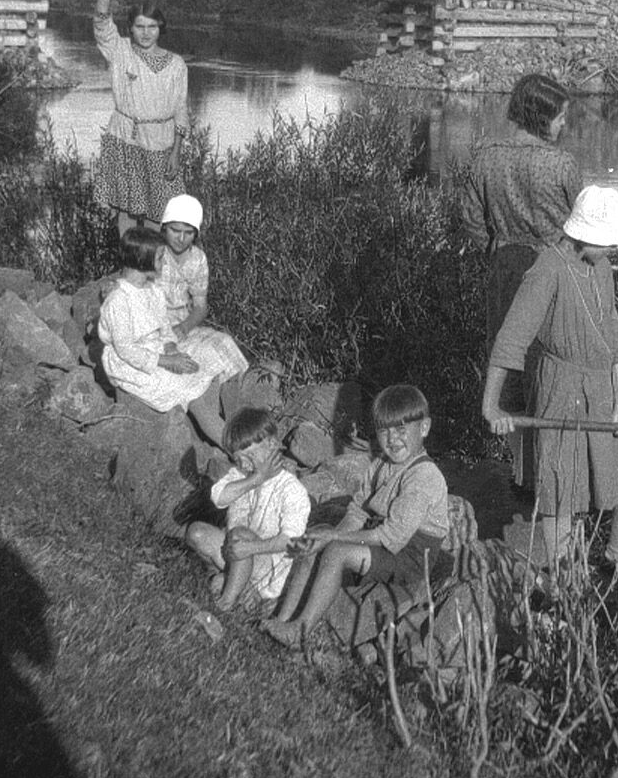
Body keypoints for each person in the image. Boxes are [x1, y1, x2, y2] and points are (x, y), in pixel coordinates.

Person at [482, 185, 618, 576]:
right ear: (584, 234)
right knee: (561, 487)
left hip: (603, 387)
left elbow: (612, 329)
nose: (612, 249)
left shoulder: (602, 267)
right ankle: (565, 577)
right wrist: (491, 407)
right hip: (561, 388)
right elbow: (511, 339)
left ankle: (616, 561)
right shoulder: (546, 271)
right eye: (606, 241)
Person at [460, 73, 583, 493]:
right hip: (554, 273)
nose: (564, 125)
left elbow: (472, 220)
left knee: (509, 364)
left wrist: (497, 249)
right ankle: (550, 476)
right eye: (561, 117)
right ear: (542, 116)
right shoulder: (562, 164)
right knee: (553, 369)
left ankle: (520, 473)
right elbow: (581, 228)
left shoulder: (485, 156)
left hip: (505, 269)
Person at [262, 384, 451, 647]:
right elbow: (357, 510)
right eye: (384, 431)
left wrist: (336, 537)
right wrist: (329, 534)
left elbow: (392, 537)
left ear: (424, 428)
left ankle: (300, 631)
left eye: (401, 430)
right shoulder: (381, 464)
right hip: (383, 541)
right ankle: (281, 617)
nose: (393, 439)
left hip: (411, 557)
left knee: (336, 551)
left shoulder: (424, 477)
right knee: (315, 538)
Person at [96, 227, 245, 449]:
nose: (163, 263)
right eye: (158, 257)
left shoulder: (152, 289)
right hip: (131, 362)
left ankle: (224, 429)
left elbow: (163, 324)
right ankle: (236, 448)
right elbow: (126, 349)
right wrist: (166, 361)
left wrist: (170, 347)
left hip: (155, 348)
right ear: (141, 259)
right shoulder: (119, 301)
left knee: (204, 366)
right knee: (192, 393)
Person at [184, 407, 311, 613]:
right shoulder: (242, 474)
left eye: (250, 455)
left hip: (266, 566)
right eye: (238, 457)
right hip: (238, 552)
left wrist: (251, 549)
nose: (244, 462)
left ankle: (225, 603)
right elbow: (219, 497)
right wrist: (256, 479)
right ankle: (238, 587)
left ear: (271, 445)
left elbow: (290, 542)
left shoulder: (292, 490)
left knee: (240, 535)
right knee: (196, 532)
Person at [92, 0, 188, 235]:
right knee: (126, 209)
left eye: (152, 27)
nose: (146, 33)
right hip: (124, 138)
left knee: (159, 211)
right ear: (131, 29)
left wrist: (176, 152)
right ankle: (130, 268)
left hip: (161, 142)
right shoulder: (119, 50)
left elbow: (181, 109)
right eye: (140, 26)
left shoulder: (177, 64)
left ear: (161, 28)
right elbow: (101, 20)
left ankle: (153, 270)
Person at [154, 193, 248, 379]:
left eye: (188, 233)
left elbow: (200, 306)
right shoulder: (154, 251)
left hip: (182, 323)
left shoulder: (198, 258)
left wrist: (184, 327)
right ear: (164, 228)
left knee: (224, 343)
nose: (181, 238)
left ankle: (235, 393)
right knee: (182, 360)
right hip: (153, 322)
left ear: (196, 233)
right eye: (175, 230)